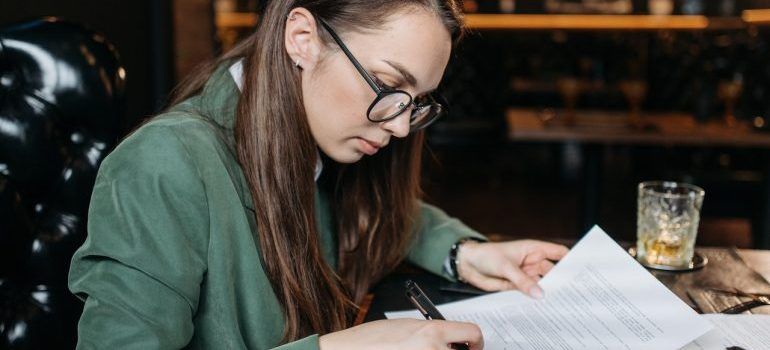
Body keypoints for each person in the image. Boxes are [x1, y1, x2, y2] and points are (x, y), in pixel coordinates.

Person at [67, 0, 569, 349]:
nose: (399, 125)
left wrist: (464, 252)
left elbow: (386, 213)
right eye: (388, 84)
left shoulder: (316, 138)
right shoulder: (164, 163)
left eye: (415, 103)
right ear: (302, 38)